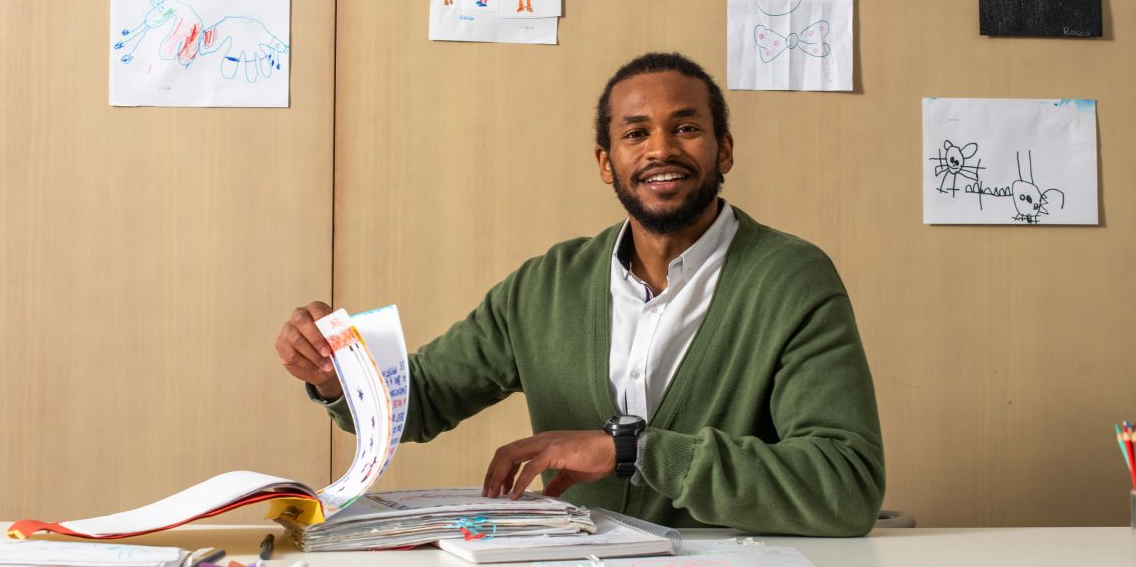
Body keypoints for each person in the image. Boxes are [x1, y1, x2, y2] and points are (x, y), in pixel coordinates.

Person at [275, 52, 885, 536]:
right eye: (635, 133)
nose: (661, 149)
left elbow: (845, 486)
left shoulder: (792, 278)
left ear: (724, 148)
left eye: (688, 128)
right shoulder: (547, 285)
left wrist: (634, 451)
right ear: (606, 161)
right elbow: (423, 399)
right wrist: (334, 372)